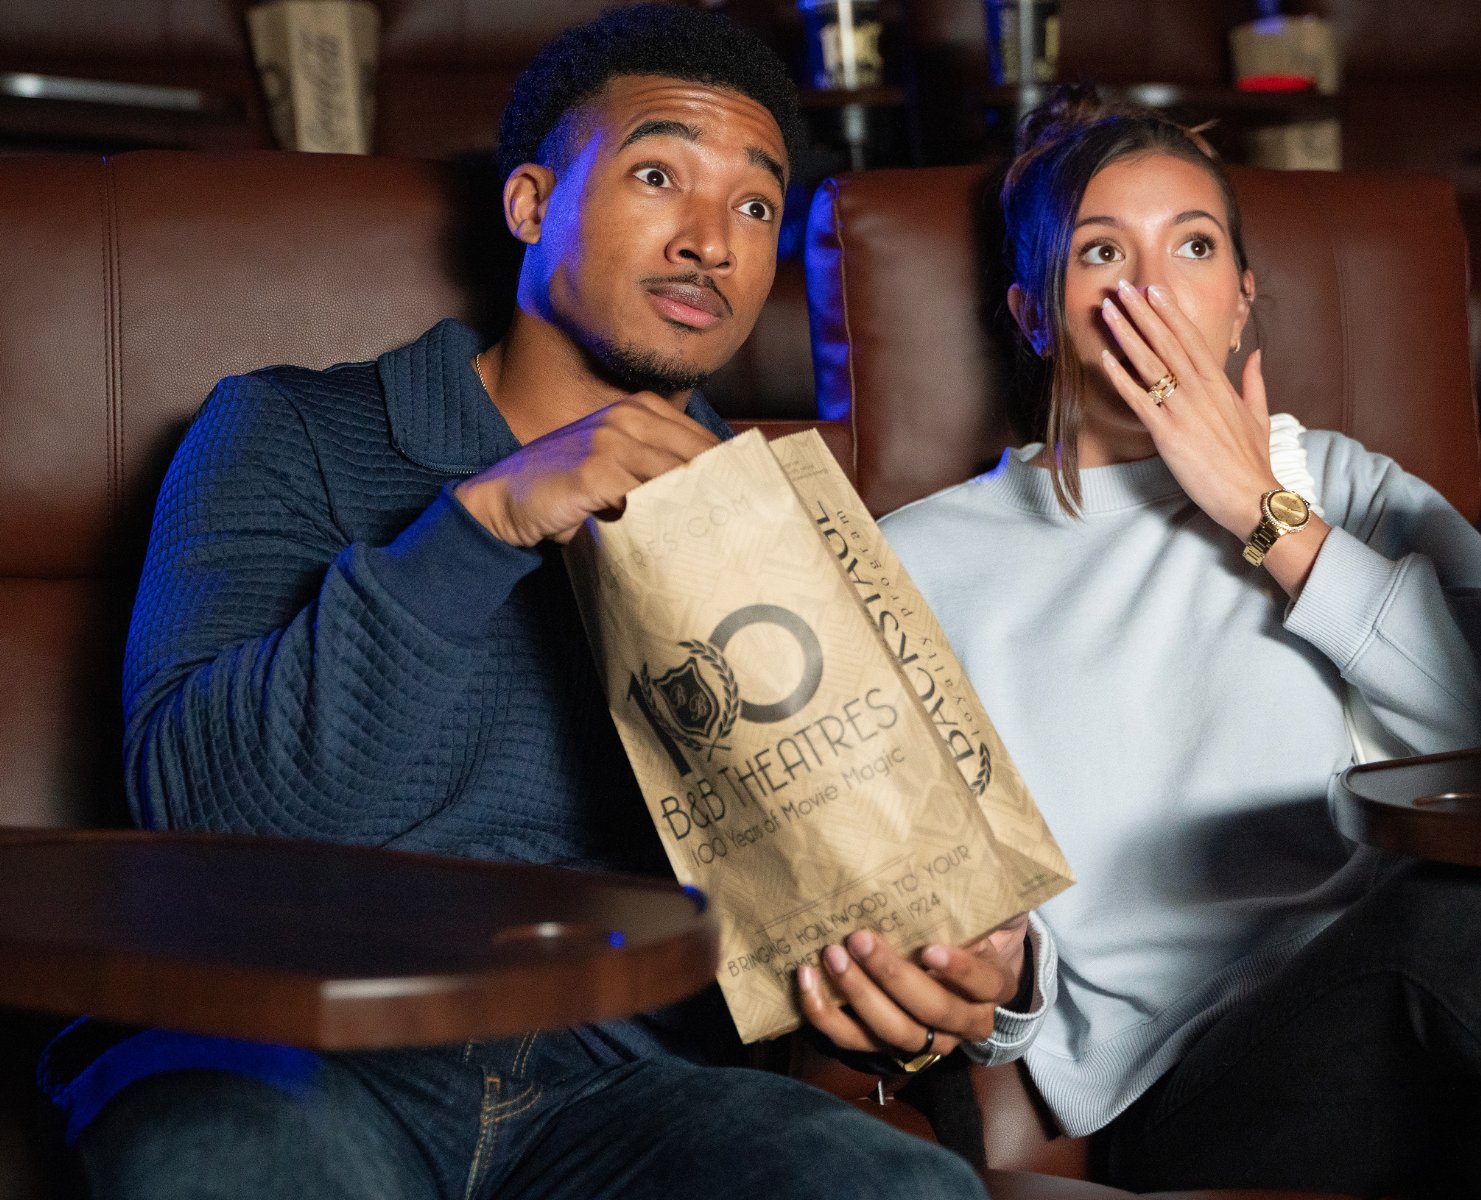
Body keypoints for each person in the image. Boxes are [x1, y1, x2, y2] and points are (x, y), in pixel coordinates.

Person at [47, 8, 996, 1198]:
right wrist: (485, 522)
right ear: (533, 206)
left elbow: (866, 875)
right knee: (226, 1155)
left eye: (755, 206)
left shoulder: (778, 521)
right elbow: (200, 810)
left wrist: (950, 975)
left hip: (624, 1092)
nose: (713, 241)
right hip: (298, 1057)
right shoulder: (288, 428)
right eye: (659, 176)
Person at [800, 90, 1481, 1198]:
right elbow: (958, 943)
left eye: (1191, 246)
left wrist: (1268, 521)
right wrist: (993, 975)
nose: (1148, 291)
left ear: (1240, 303)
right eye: (1098, 253)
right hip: (1192, 1087)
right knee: (1459, 925)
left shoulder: (1336, 481)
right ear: (1035, 315)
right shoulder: (912, 564)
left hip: (1447, 1019)